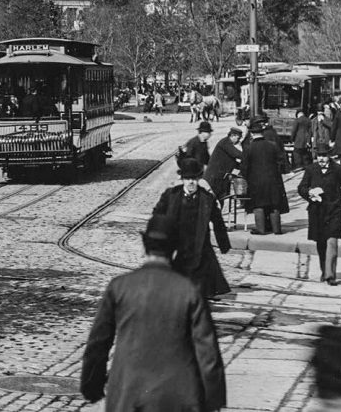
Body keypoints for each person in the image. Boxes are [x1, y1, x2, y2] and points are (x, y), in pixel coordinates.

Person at [80, 214, 227, 412]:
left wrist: (92, 387)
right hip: (179, 397)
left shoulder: (119, 287)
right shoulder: (189, 290)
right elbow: (207, 352)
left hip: (128, 394)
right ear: (174, 250)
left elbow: (98, 344)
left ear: (144, 247)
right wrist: (213, 400)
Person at [152, 158, 232, 299]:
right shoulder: (171, 196)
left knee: (203, 288)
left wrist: (224, 244)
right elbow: (157, 215)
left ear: (199, 179)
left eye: (194, 179)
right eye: (187, 179)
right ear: (182, 179)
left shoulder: (207, 198)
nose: (191, 182)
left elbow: (218, 221)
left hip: (199, 245)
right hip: (177, 244)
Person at [298, 144, 341, 285]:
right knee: (321, 244)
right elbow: (301, 187)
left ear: (329, 156)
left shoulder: (338, 169)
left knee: (332, 242)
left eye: (324, 156)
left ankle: (330, 275)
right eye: (319, 156)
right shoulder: (311, 169)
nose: (321, 159)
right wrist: (309, 193)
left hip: (335, 210)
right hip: (317, 211)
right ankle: (325, 270)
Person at [240, 116, 289, 235]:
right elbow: (282, 161)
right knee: (274, 204)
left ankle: (261, 229)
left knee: (258, 204)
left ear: (252, 134)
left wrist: (246, 178)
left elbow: (244, 167)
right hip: (273, 179)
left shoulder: (249, 148)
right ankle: (277, 229)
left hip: (256, 181)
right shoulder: (272, 145)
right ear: (262, 133)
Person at [204, 126, 246, 203]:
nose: (238, 141)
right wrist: (250, 156)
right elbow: (237, 154)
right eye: (238, 138)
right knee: (213, 199)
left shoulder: (227, 143)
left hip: (219, 177)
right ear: (233, 135)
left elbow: (232, 161)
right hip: (214, 177)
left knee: (220, 199)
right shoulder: (225, 143)